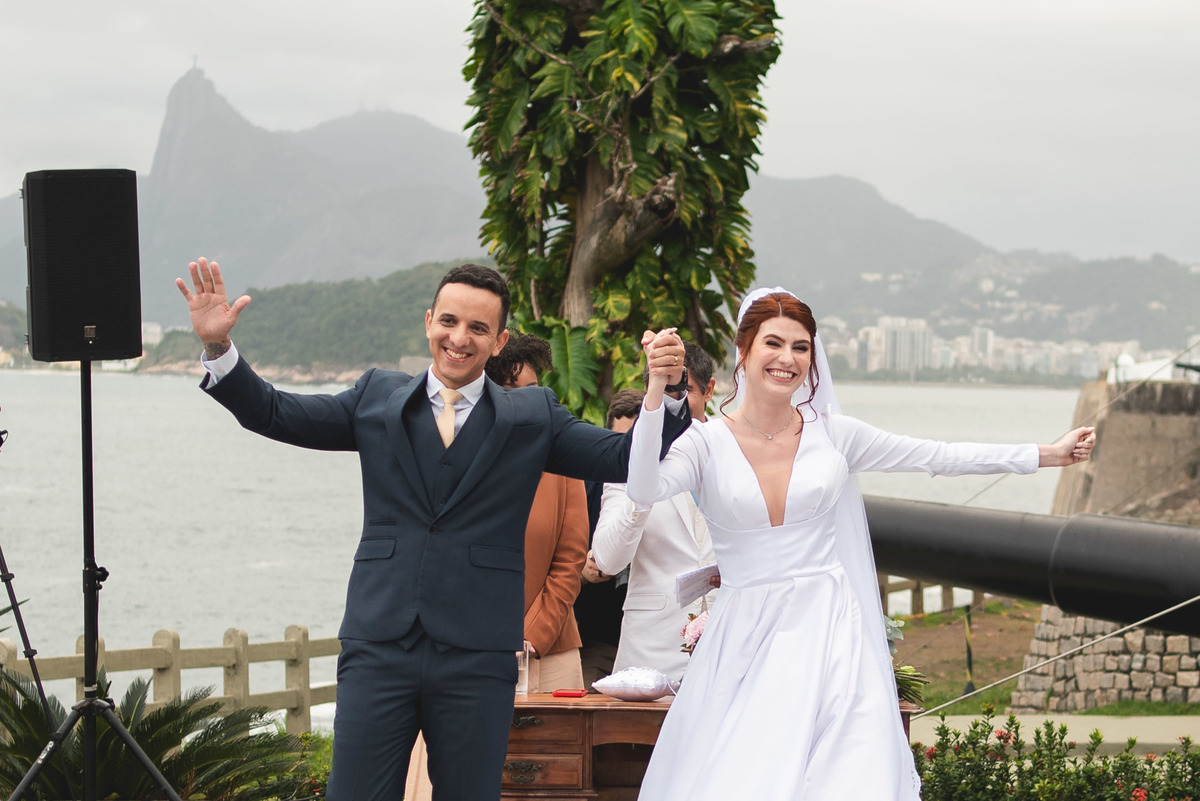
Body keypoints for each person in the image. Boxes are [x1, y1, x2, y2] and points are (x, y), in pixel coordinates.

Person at [174, 258, 691, 801]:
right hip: (379, 643)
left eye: (477, 328)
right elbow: (277, 413)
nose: (459, 338)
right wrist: (218, 349)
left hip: (479, 653)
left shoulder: (532, 416)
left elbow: (628, 459)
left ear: (499, 340)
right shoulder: (376, 397)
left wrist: (669, 389)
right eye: (449, 321)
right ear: (428, 322)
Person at [625, 287, 1097, 800]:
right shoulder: (705, 441)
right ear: (744, 350)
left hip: (832, 631)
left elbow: (936, 455)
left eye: (801, 347)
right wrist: (655, 391)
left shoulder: (835, 434)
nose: (788, 359)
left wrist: (1046, 455)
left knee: (847, 775)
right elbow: (642, 488)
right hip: (745, 636)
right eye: (774, 343)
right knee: (745, 774)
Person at [592, 388, 717, 682]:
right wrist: (641, 489)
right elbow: (607, 561)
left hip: (727, 646)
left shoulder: (729, 452)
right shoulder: (621, 474)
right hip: (652, 652)